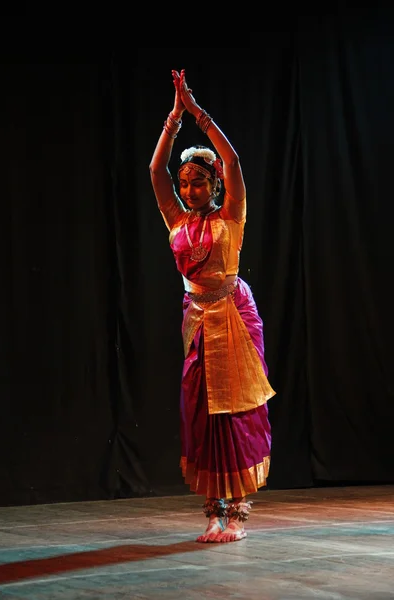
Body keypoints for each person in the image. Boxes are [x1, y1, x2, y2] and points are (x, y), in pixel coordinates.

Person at [149, 68, 276, 543]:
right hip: (197, 320)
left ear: (215, 185)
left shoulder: (230, 217)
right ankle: (214, 509)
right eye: (184, 184)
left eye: (198, 183)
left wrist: (197, 111)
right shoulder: (177, 221)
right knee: (202, 413)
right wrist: (173, 118)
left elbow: (233, 159)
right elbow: (154, 171)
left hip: (234, 318)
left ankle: (237, 512)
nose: (187, 190)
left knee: (234, 412)